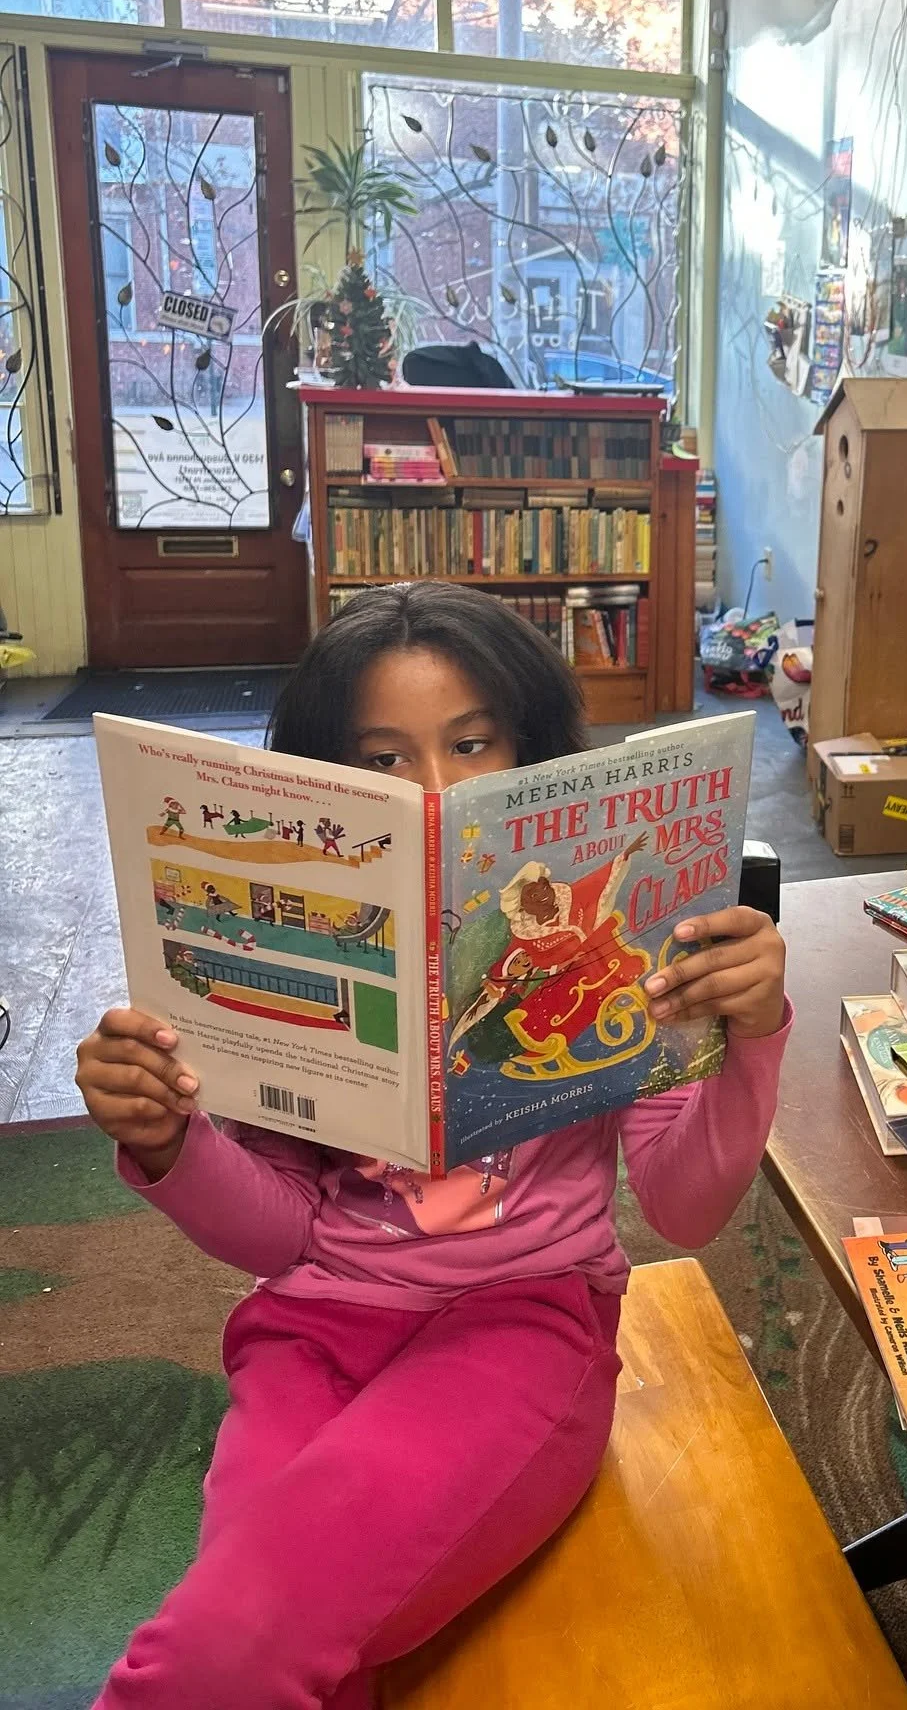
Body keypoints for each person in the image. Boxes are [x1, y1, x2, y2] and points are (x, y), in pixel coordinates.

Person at [74, 582, 790, 1710]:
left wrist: (750, 1037)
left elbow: (686, 1207)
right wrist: (173, 1141)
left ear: (533, 751)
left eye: (471, 743)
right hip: (309, 1330)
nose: (439, 791)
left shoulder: (610, 927)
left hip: (525, 1323)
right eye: (385, 761)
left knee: (223, 1650)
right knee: (270, 1644)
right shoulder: (305, 933)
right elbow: (282, 1229)